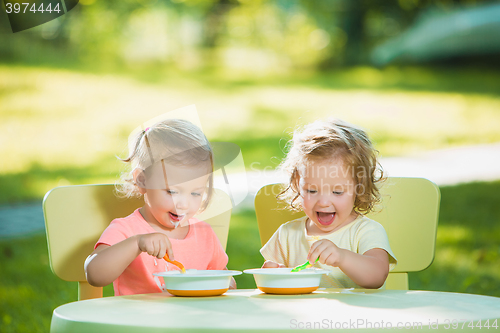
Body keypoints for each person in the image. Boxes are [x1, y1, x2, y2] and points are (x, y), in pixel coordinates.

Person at [85, 119, 235, 295]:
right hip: (138, 321)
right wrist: (136, 244)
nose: (184, 204)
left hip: (193, 321)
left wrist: (226, 285)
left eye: (196, 193)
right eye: (172, 191)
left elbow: (225, 279)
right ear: (142, 180)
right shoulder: (127, 230)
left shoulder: (205, 234)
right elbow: (94, 274)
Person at [260, 118, 397, 289]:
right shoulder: (287, 235)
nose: (324, 202)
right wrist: (271, 275)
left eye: (337, 192)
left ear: (359, 187)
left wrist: (342, 257)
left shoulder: (365, 231)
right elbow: (272, 287)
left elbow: (377, 276)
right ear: (297, 183)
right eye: (311, 190)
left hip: (358, 315)